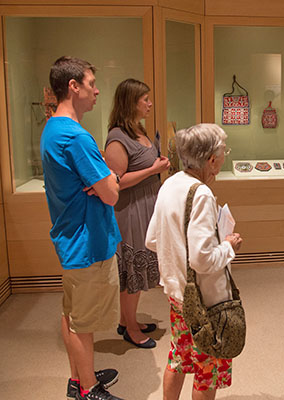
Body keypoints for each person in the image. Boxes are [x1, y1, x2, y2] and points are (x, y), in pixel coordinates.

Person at [40, 56, 123, 400]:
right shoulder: (76, 137)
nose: (97, 90)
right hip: (87, 243)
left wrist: (103, 178)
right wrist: (110, 178)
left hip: (71, 238)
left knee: (72, 313)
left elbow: (100, 183)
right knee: (83, 323)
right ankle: (88, 389)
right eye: (91, 84)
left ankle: (79, 376)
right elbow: (112, 194)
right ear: (73, 87)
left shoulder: (52, 128)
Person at [146, 123, 243, 400]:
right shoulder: (200, 194)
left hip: (178, 296)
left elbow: (152, 240)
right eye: (224, 152)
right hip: (204, 301)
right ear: (212, 159)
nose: (225, 158)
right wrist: (228, 246)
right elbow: (202, 260)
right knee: (207, 367)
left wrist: (176, 253)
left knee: (180, 354)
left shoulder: (169, 184)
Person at [104, 78, 170, 348]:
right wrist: (153, 170)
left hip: (147, 205)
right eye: (145, 99)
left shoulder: (139, 130)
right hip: (130, 211)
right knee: (132, 270)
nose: (150, 104)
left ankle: (126, 320)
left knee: (141, 269)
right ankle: (130, 328)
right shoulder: (117, 138)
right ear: (131, 102)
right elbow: (116, 181)